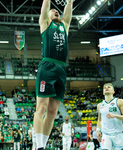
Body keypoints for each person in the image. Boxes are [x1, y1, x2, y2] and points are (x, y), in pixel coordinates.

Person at [34, 0, 73, 149]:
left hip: (62, 68)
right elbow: (45, 6)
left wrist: (69, 2)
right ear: (48, 15)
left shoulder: (65, 25)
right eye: (53, 11)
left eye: (58, 11)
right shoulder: (45, 23)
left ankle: (42, 145)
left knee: (53, 110)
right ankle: (38, 145)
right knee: (42, 108)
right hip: (47, 66)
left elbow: (68, 10)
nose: (56, 11)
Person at [96, 83, 123, 150]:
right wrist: (97, 130)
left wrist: (115, 115)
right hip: (105, 134)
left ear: (113, 91)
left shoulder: (119, 102)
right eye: (105, 87)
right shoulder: (99, 105)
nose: (106, 88)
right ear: (103, 92)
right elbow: (99, 120)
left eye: (109, 87)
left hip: (118, 134)